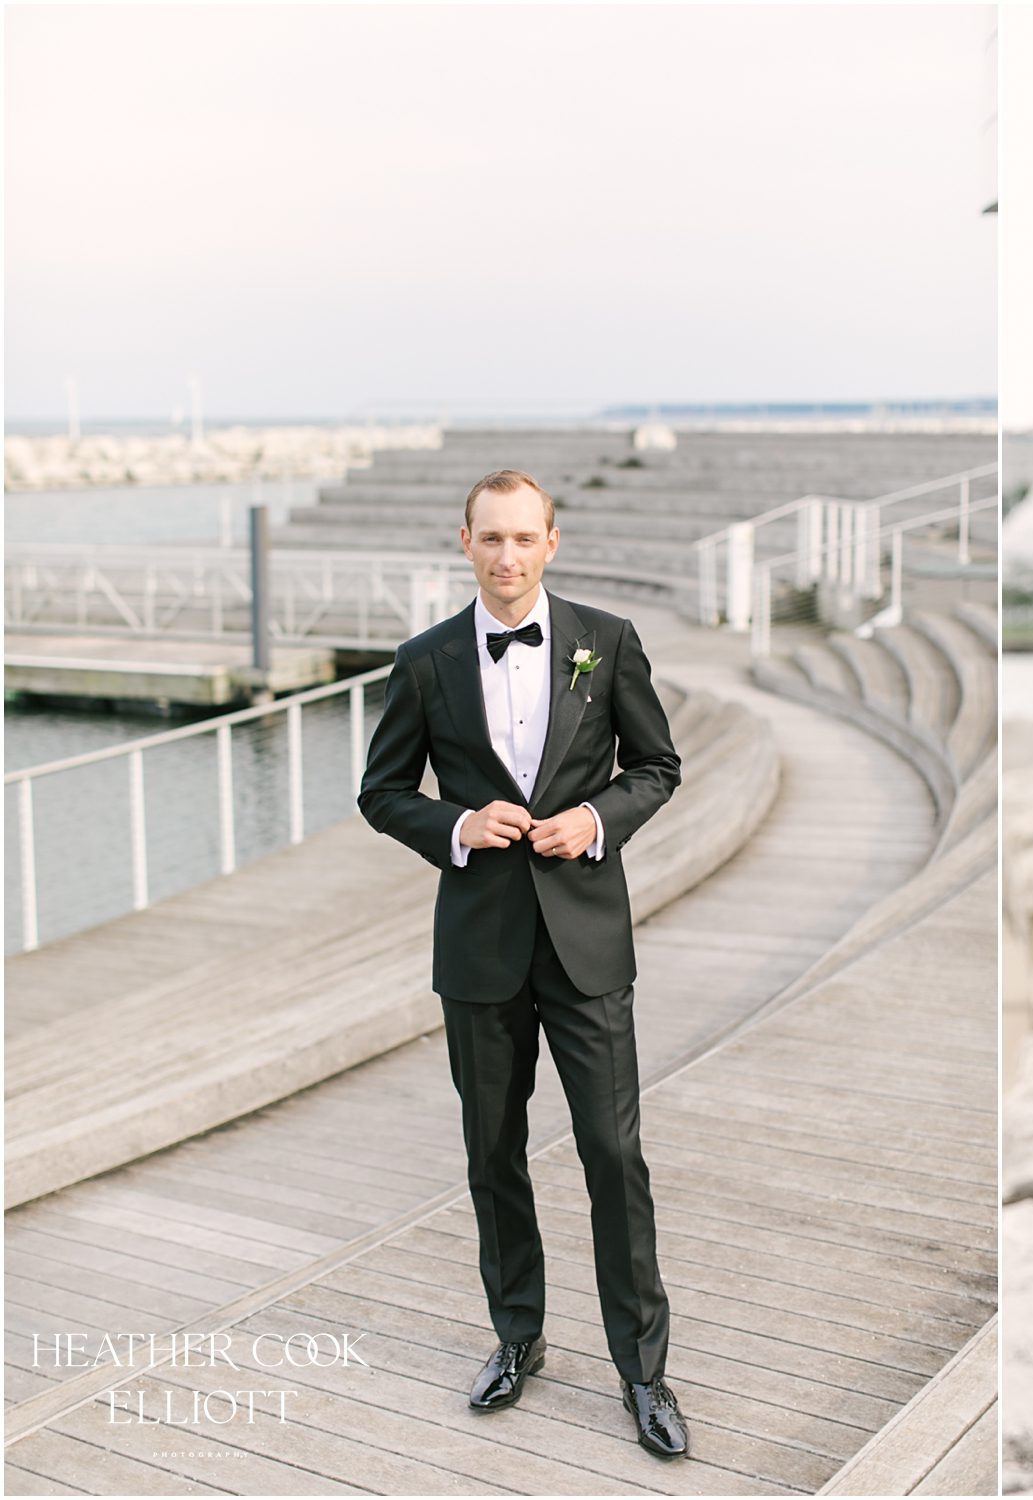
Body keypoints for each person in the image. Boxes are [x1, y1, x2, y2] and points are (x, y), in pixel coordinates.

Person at [357, 467, 690, 1459]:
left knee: (612, 1156)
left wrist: (593, 820)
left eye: (522, 538)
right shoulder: (422, 663)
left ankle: (643, 1372)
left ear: (552, 542)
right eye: (488, 539)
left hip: (587, 946)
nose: (506, 557)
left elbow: (657, 767)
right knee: (492, 1156)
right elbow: (381, 792)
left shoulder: (607, 643)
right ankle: (516, 1338)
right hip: (479, 952)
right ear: (464, 544)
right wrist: (456, 822)